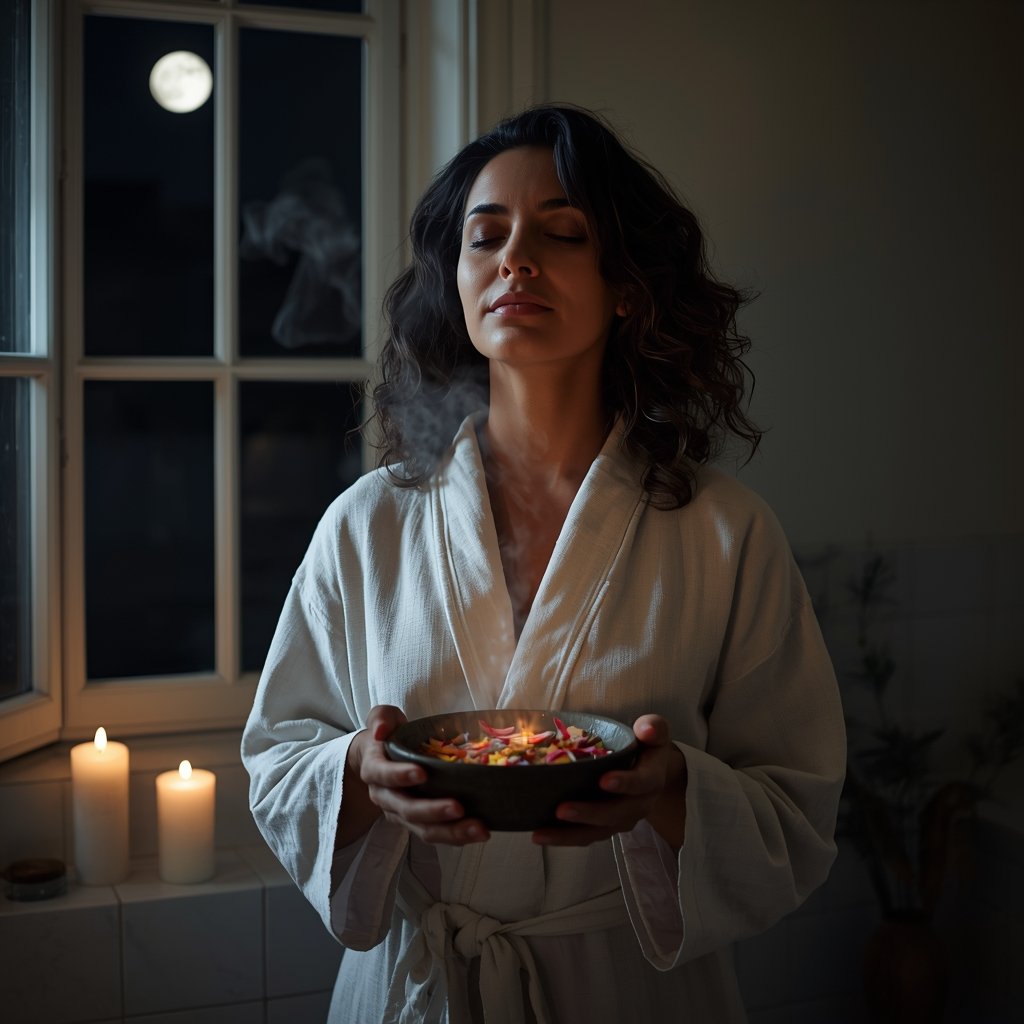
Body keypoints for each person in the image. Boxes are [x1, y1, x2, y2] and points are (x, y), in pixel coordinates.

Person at [241, 104, 846, 1023]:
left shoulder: (724, 532)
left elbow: (797, 806)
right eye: (486, 237)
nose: (514, 258)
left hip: (628, 989)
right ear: (459, 280)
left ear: (628, 288)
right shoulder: (368, 525)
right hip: (420, 984)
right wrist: (362, 775)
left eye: (561, 233)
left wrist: (672, 789)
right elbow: (280, 758)